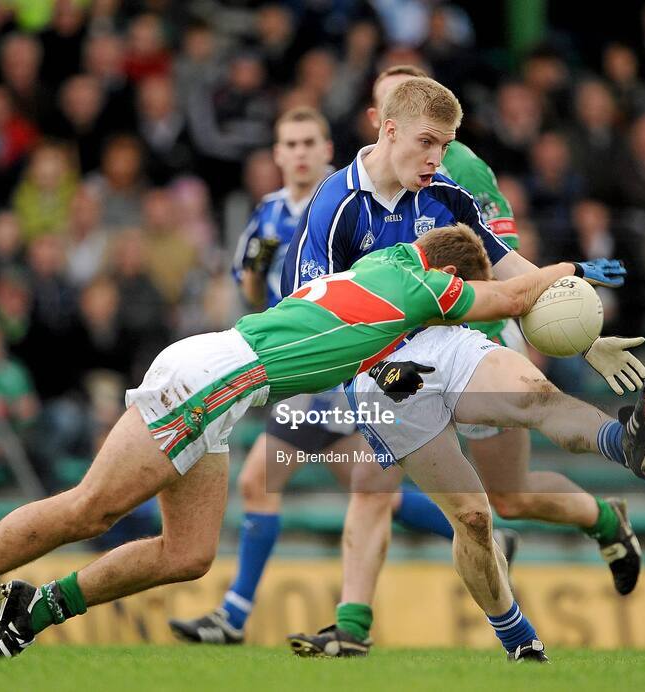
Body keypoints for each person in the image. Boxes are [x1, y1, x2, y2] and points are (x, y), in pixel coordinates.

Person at [0, 225, 645, 662]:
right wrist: (579, 272)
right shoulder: (425, 287)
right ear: (446, 284)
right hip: (213, 381)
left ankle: (34, 607)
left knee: (187, 552)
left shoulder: (382, 266)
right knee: (90, 509)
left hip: (226, 384)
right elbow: (515, 294)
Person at [285, 72, 645, 658]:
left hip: (461, 336)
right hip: (379, 371)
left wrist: (585, 334)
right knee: (464, 513)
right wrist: (357, 378)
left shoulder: (456, 187)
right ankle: (366, 626)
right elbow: (308, 313)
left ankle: (620, 443)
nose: (438, 157)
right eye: (427, 143)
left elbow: (510, 273)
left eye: (445, 144)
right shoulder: (337, 205)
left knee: (525, 433)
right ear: (387, 124)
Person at [168, 107, 466, 645]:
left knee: (266, 479)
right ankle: (473, 528)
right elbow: (256, 299)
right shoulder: (267, 215)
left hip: (344, 363)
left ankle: (234, 616)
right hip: (304, 365)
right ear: (278, 154)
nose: (301, 152)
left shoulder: (348, 202)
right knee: (366, 487)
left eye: (310, 142)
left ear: (328, 149)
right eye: (291, 143)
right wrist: (256, 273)